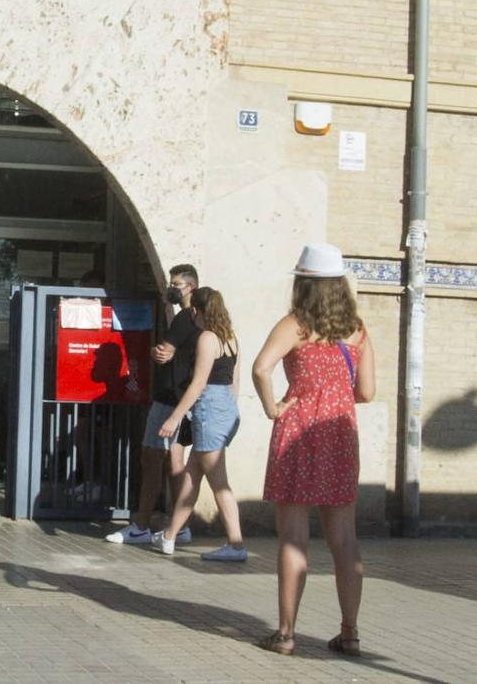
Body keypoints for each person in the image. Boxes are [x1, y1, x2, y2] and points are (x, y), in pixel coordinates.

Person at [251, 243, 375, 657]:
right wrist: (335, 395)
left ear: (302, 284)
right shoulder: (356, 330)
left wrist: (273, 406)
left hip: (299, 431)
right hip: (340, 434)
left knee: (293, 538)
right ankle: (351, 632)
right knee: (344, 539)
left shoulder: (295, 325)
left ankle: (285, 634)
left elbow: (261, 367)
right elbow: (368, 392)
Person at [149, 287, 247, 562]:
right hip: (225, 407)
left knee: (219, 483)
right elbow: (234, 382)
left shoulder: (207, 338)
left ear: (198, 310)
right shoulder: (231, 339)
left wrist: (174, 417)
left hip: (209, 410)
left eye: (193, 309)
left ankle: (236, 545)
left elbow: (199, 382)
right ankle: (169, 536)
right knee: (191, 480)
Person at [104, 264, 199, 545]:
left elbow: (163, 354)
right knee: (174, 463)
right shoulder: (200, 320)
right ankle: (179, 525)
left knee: (153, 457)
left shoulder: (184, 318)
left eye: (177, 284)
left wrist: (153, 350)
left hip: (169, 398)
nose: (172, 288)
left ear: (191, 287)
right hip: (182, 397)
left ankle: (141, 524)